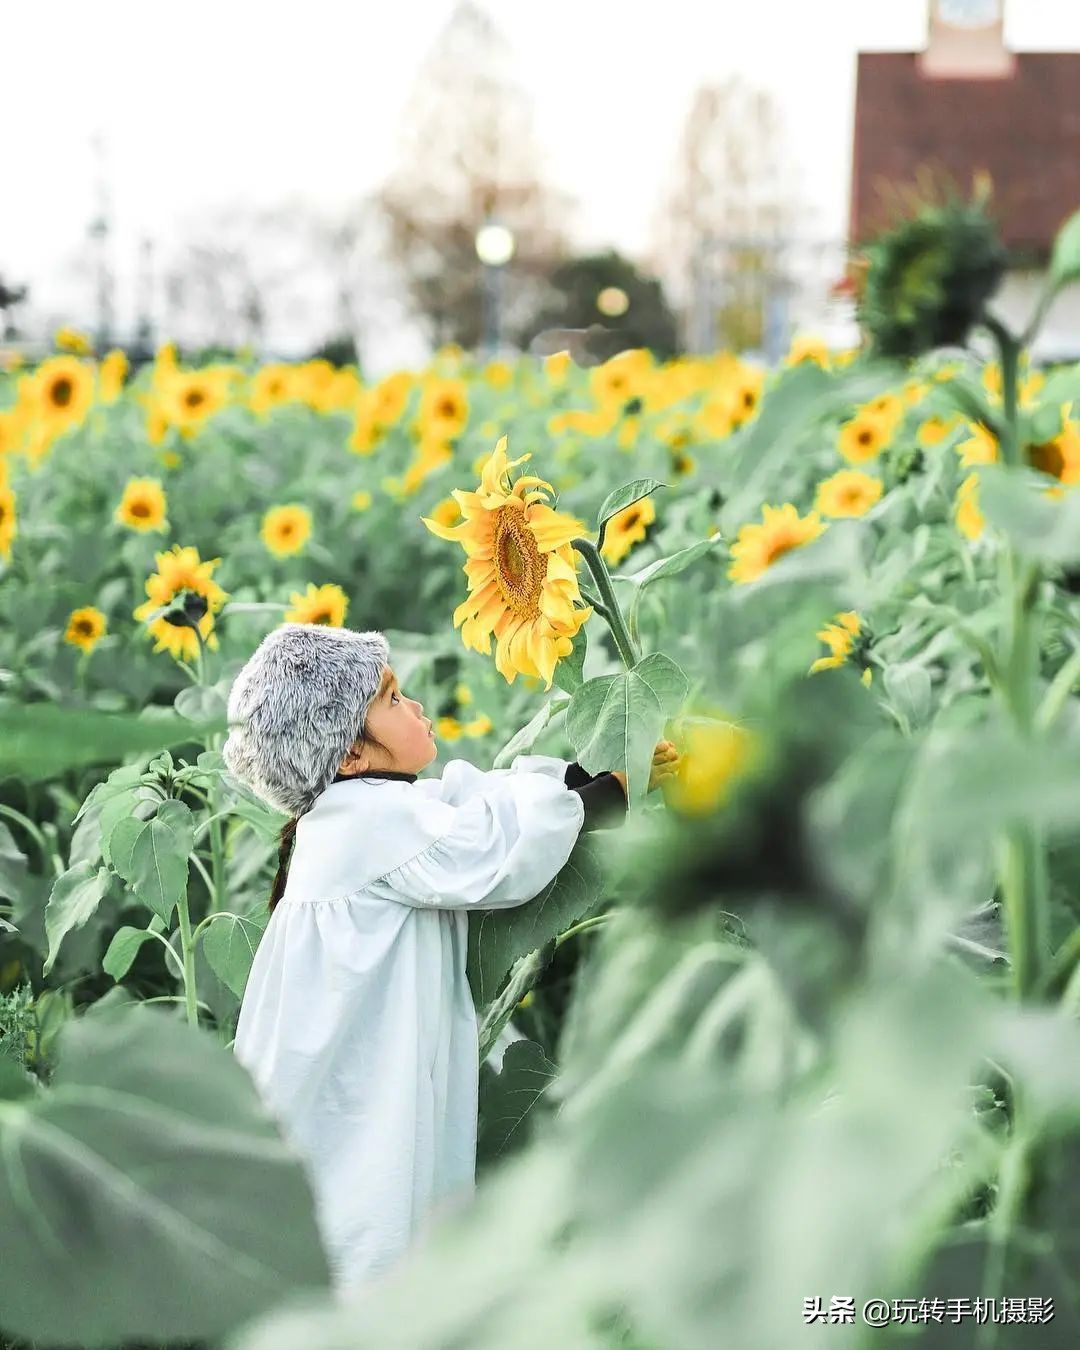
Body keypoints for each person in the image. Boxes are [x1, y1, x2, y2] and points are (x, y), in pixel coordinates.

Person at [221, 622, 678, 1298]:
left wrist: (584, 779)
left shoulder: (371, 809)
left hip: (354, 1049)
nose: (417, 708)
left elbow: (475, 803)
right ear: (348, 754)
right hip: (360, 1065)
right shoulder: (367, 823)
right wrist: (606, 795)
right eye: (394, 700)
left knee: (364, 1190)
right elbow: (490, 856)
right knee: (368, 1201)